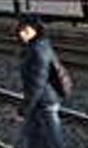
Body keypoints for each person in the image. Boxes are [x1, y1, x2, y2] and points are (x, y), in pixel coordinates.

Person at [15, 14, 66, 148]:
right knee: (33, 140)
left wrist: (23, 110)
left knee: (54, 142)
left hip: (44, 103)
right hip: (40, 103)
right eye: (20, 30)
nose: (21, 34)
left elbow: (36, 84)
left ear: (36, 30)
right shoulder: (37, 46)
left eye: (26, 31)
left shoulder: (38, 51)